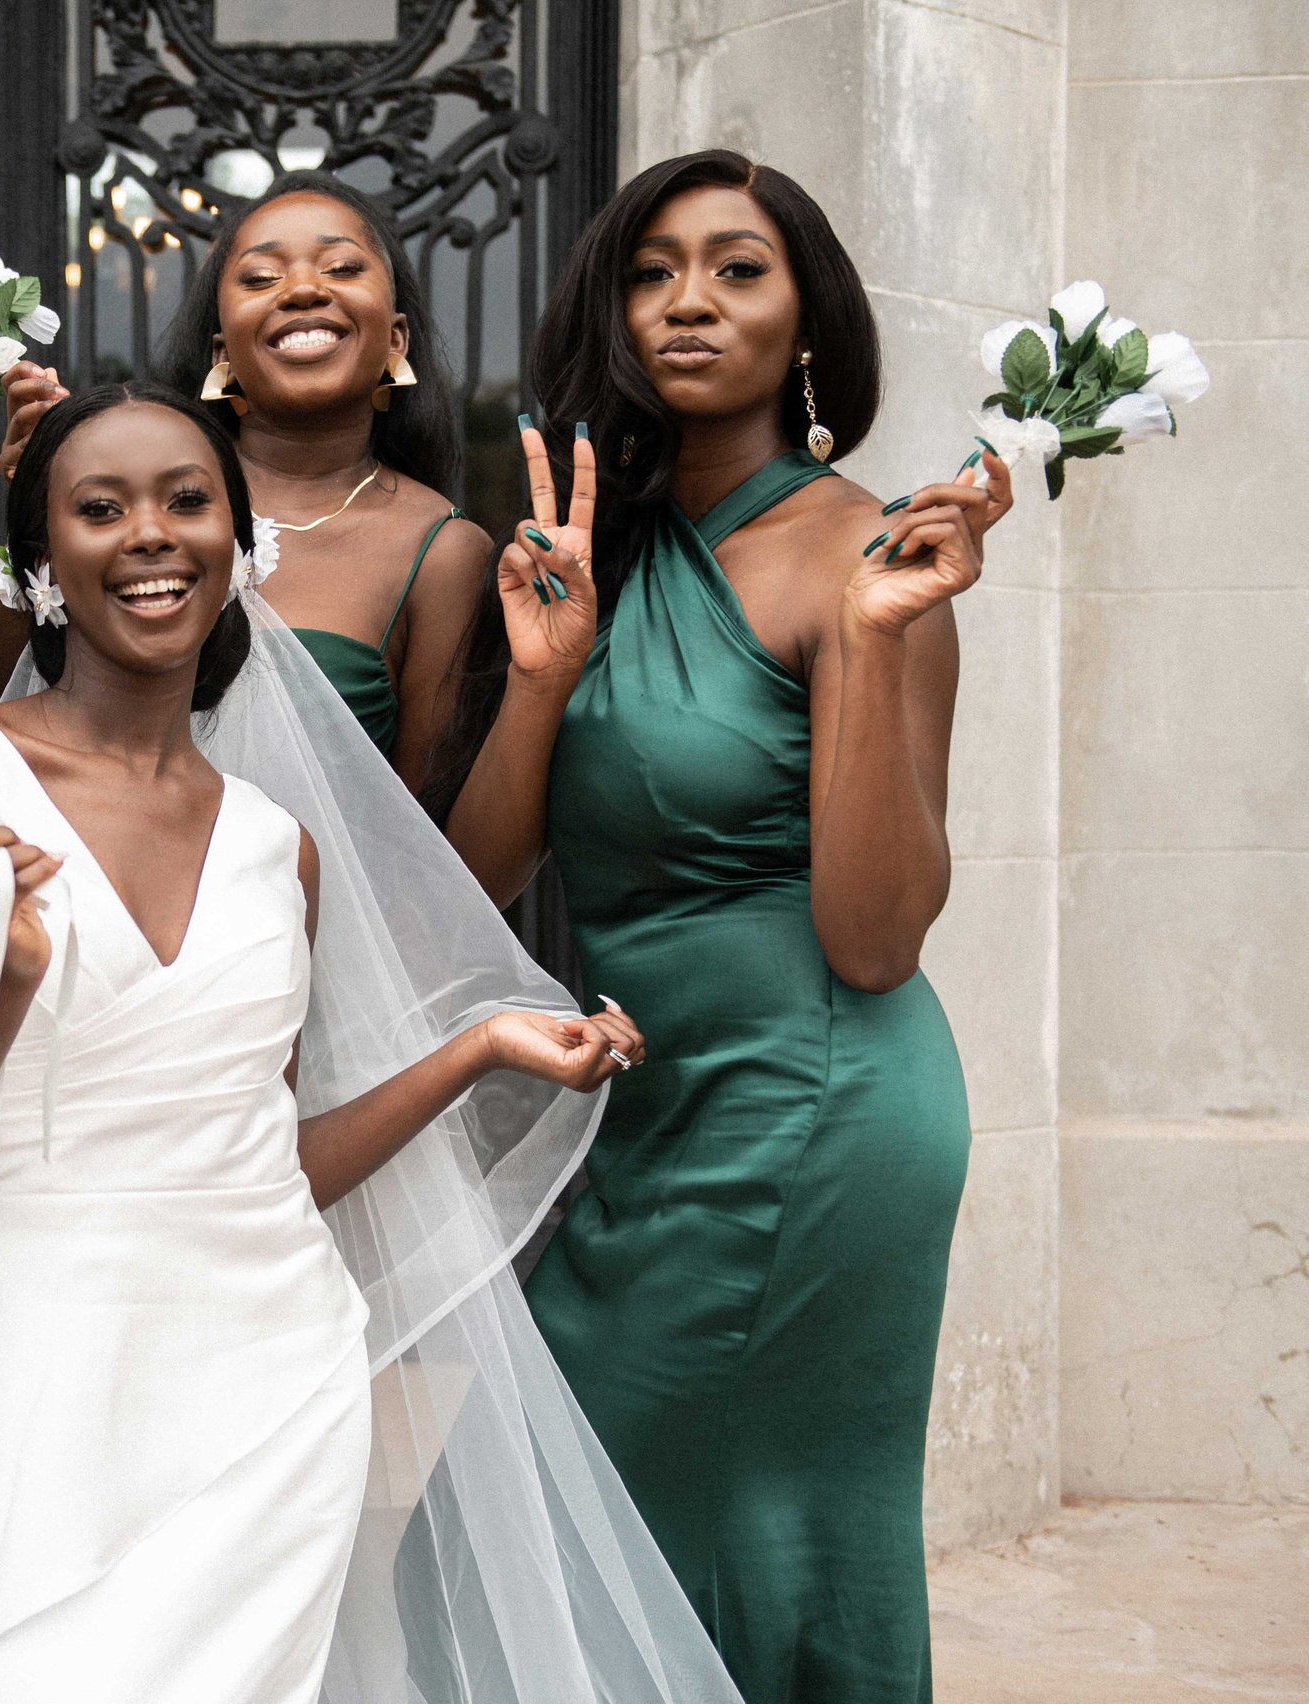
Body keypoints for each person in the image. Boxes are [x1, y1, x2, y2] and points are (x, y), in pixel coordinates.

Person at [0, 383, 738, 1704]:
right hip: (16, 1376)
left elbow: (262, 1173)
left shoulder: (274, 846)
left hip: (264, 1391)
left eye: (189, 501)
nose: (153, 533)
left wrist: (471, 1050)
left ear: (240, 549)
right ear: (42, 562)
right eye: (101, 506)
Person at [472, 149, 1011, 1702]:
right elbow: (486, 872)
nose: (687, 301)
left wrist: (866, 644)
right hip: (646, 1112)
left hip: (817, 1106)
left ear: (811, 317)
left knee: (736, 1535)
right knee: (605, 1519)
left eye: (736, 267)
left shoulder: (872, 554)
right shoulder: (596, 545)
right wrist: (541, 676)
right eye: (651, 271)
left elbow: (877, 936)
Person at [0, 173, 585, 896]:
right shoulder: (129, 516)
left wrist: (542, 678)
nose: (303, 290)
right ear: (222, 350)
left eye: (341, 268)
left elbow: (446, 877)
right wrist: (33, 517)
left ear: (396, 337)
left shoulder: (442, 551)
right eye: (262, 277)